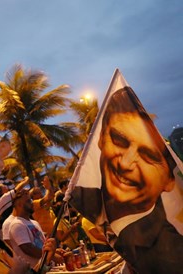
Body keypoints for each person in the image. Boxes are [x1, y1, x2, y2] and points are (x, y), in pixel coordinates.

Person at [70, 87, 183, 273]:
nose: (126, 162)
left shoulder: (172, 252)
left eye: (148, 156)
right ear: (101, 141)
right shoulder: (86, 202)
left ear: (169, 181)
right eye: (119, 140)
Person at [8, 190, 59, 272]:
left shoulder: (33, 222)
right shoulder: (17, 224)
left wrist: (54, 251)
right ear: (19, 205)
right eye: (28, 201)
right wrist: (53, 256)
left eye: (31, 200)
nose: (32, 203)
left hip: (45, 268)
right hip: (35, 271)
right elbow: (28, 249)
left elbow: (43, 245)